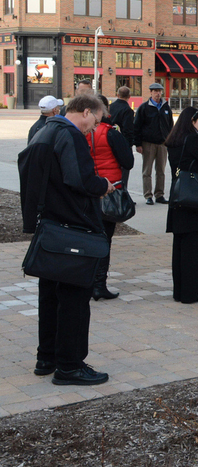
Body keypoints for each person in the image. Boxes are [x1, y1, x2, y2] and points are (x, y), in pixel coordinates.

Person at [18, 93, 115, 386]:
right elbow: (81, 180)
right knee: (74, 299)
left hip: (50, 228)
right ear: (85, 111)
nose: (93, 129)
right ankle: (70, 366)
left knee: (50, 295)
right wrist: (104, 186)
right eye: (95, 121)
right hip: (73, 228)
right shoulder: (69, 135)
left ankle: (47, 357)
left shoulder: (43, 131)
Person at [165, 107, 198, 304]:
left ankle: (179, 291)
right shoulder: (192, 139)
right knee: (192, 250)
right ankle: (190, 293)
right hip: (193, 199)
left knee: (179, 248)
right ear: (192, 121)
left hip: (177, 196)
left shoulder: (173, 139)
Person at [87, 95, 135, 301]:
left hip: (87, 190)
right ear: (105, 111)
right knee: (104, 239)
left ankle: (86, 282)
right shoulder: (111, 133)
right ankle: (99, 284)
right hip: (109, 191)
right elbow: (128, 161)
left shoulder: (80, 133)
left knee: (88, 237)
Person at [134, 82, 174, 205]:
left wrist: (170, 140)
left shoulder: (166, 107)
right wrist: (138, 144)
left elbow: (170, 125)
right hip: (148, 143)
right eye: (155, 91)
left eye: (159, 91)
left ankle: (159, 195)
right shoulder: (144, 108)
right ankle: (148, 195)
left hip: (162, 144)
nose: (158, 93)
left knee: (161, 171)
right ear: (150, 92)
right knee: (147, 171)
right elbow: (137, 126)